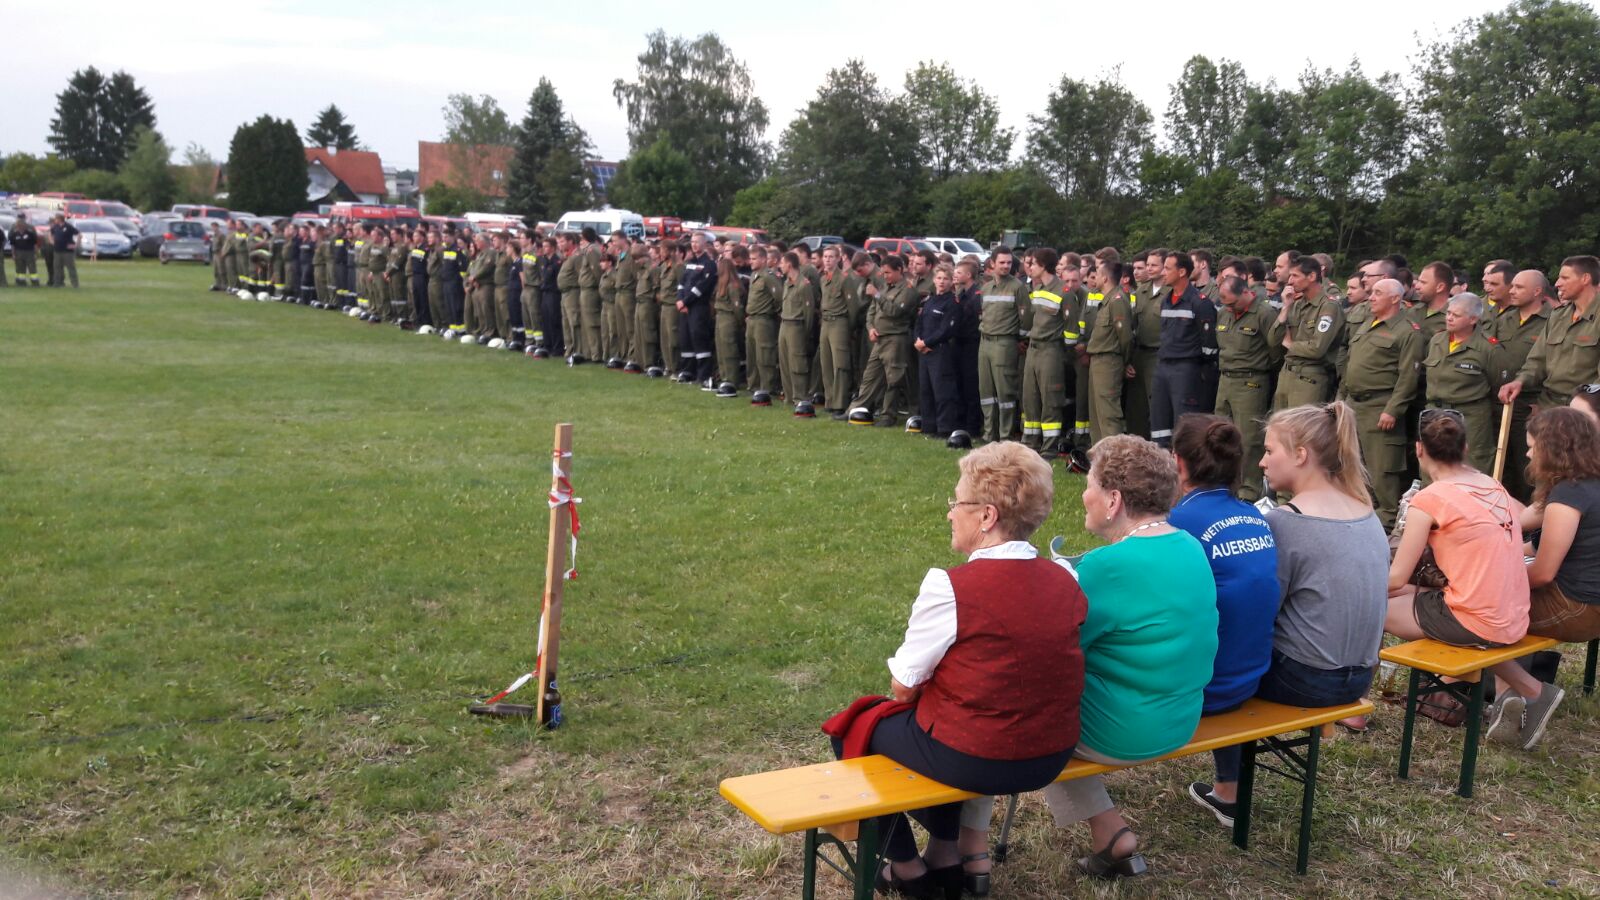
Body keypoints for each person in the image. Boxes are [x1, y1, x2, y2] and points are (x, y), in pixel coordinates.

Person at [963, 435, 1216, 880]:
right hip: (1181, 715)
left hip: (1127, 730)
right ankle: (1108, 832)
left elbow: (1047, 653)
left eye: (1090, 485)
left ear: (1113, 500)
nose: (1084, 495)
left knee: (995, 710)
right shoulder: (1189, 544)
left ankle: (970, 849)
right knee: (1040, 708)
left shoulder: (1106, 567)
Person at [843, 442, 1084, 899]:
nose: (951, 513)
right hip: (1051, 753)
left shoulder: (948, 587)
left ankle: (908, 869)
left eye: (957, 503)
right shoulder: (1065, 578)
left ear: (987, 516)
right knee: (951, 729)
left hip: (978, 758)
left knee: (854, 727)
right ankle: (946, 856)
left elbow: (903, 687)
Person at [1194, 402, 1389, 821]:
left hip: (1307, 679)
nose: (1261, 462)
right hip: (1359, 676)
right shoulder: (1366, 511)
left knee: (1231, 650)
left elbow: (1260, 610)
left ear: (1300, 454)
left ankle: (1228, 790)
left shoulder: (1287, 523)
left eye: (1269, 451)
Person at [1161, 415, 1282, 823]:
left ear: (1178, 463)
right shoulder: (1255, 516)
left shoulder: (1177, 524)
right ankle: (1227, 789)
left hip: (1203, 690)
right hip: (1249, 679)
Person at [1384, 409, 1530, 728]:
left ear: (1419, 449)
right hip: (1515, 616)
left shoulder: (1430, 499)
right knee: (1410, 595)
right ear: (1465, 448)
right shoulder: (1492, 484)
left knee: (1371, 607)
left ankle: (1353, 702)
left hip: (1474, 621)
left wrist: (1350, 585)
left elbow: (1395, 578)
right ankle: (1516, 690)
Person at [1487, 407, 1600, 749]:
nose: (1528, 454)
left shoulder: (1569, 496)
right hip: (1588, 603)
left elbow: (1542, 572)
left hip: (1577, 607)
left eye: (1532, 446)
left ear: (1552, 449)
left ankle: (1528, 695)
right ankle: (1505, 702)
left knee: (1477, 614)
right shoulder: (1586, 485)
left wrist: (1492, 575)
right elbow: (1523, 528)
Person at [1338, 278, 1424, 528]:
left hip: (1380, 407)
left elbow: (1408, 377)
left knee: (1382, 469)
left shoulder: (1407, 331)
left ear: (1395, 298)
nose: (1371, 297)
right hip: (1354, 404)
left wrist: (1392, 410)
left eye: (1378, 293)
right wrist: (1341, 402)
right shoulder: (1367, 323)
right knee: (1355, 465)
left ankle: (1385, 522)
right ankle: (1361, 516)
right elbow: (1351, 365)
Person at [1499, 256, 1600, 411]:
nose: (1557, 283)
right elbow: (1537, 360)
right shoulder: (1558, 315)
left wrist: (1588, 407)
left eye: (1565, 278)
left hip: (1586, 408)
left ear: (1585, 278)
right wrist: (1519, 381)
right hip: (1549, 404)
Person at [1214, 275, 1282, 501]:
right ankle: (1223, 484)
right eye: (1225, 303)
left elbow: (1275, 351)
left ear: (1246, 292)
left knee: (1248, 438)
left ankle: (1248, 491)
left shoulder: (1264, 313)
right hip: (1226, 380)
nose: (1229, 308)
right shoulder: (1224, 313)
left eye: (1232, 303)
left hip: (1250, 382)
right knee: (1220, 435)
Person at [1421, 293, 1503, 474]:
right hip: (1435, 412)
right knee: (1433, 465)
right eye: (1448, 313)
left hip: (1470, 417)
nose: (1449, 318)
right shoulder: (1437, 340)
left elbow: (1498, 387)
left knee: (1472, 465)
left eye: (1456, 315)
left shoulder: (1488, 347)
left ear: (1473, 319)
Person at [1149, 251, 1218, 447]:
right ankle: (1161, 458)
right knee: (1159, 420)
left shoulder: (1200, 302)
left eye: (1167, 268)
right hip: (1163, 366)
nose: (1163, 272)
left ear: (1181, 272)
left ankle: (1184, 460)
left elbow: (1209, 344)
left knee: (1184, 422)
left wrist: (1198, 368)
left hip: (1186, 369)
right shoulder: (1166, 300)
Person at [1271, 256, 1345, 409]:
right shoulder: (1296, 304)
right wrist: (1285, 307)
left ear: (1311, 276)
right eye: (1290, 276)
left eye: (1295, 276)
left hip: (1309, 378)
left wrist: (1290, 344)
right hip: (1287, 374)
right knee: (1280, 422)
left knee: (1302, 423)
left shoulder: (1328, 306)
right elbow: (1273, 340)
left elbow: (1317, 349)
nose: (1290, 281)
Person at [975, 247, 1028, 442]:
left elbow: (1026, 319)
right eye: (1002, 262)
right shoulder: (986, 288)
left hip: (1004, 343)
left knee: (1005, 392)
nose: (1006, 266)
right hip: (985, 342)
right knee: (986, 391)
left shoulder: (1017, 287)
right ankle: (989, 433)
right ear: (992, 263)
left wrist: (1021, 341)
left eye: (1009, 262)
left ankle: (1006, 435)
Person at [914, 263, 963, 439]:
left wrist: (927, 342)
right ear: (934, 280)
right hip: (924, 352)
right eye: (939, 278)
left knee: (942, 392)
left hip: (940, 351)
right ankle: (929, 426)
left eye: (946, 279)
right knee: (926, 390)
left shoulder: (952, 303)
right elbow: (919, 323)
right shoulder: (929, 301)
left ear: (952, 282)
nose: (942, 282)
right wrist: (917, 340)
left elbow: (946, 330)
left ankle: (944, 428)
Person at [48, 214, 80, 288]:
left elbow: (79, 234)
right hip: (57, 251)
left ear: (60, 219)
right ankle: (57, 283)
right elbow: (50, 233)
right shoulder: (55, 227)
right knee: (57, 268)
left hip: (67, 251)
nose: (55, 220)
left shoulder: (68, 226)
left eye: (56, 219)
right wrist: (51, 241)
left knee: (71, 268)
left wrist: (76, 245)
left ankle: (75, 284)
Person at [9, 213, 39, 286]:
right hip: (18, 251)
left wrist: (36, 253)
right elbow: (12, 241)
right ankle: (20, 281)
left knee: (32, 267)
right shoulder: (14, 229)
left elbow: (35, 242)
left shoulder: (30, 229)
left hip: (29, 252)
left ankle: (35, 282)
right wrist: (13, 254)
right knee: (20, 267)